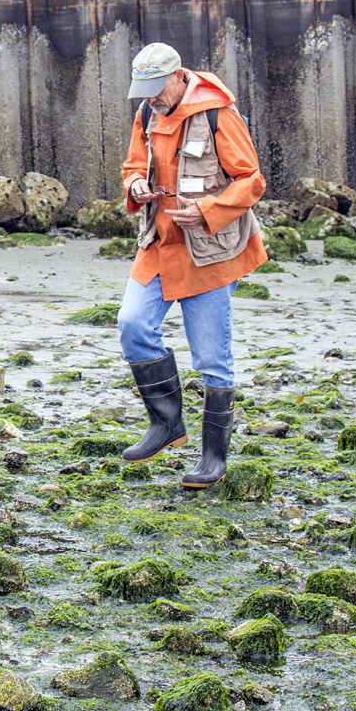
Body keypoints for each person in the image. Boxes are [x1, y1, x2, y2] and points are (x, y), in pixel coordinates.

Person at [117, 42, 267, 488]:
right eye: (142, 89)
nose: (149, 98)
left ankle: (213, 458)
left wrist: (206, 211)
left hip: (211, 251)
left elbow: (252, 179)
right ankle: (167, 426)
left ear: (178, 76)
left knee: (212, 359)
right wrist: (137, 184)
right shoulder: (146, 113)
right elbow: (131, 165)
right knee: (132, 325)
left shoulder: (220, 113)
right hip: (159, 242)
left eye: (156, 88)